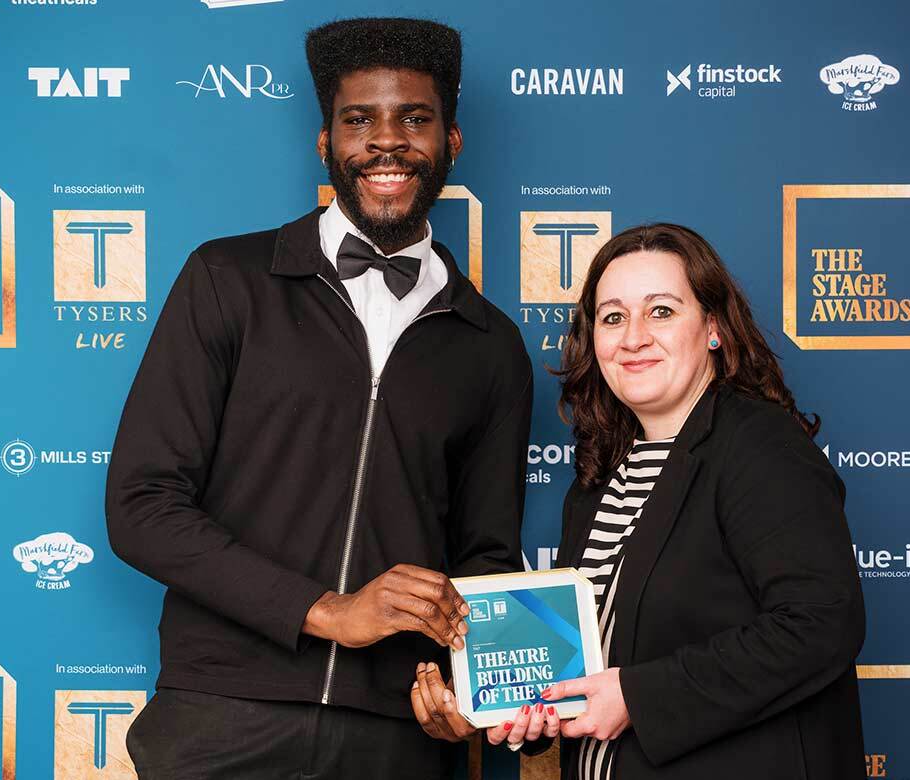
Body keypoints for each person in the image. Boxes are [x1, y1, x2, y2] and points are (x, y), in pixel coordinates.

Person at [105, 17, 533, 780]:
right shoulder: (227, 281)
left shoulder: (490, 342)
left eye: (415, 118)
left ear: (453, 142)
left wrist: (473, 689)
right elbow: (142, 507)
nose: (387, 142)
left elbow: (485, 560)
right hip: (221, 717)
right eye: (359, 119)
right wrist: (327, 611)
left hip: (394, 738)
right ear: (325, 143)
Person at [416, 223, 865, 777]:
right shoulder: (600, 478)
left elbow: (821, 623)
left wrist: (637, 696)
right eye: (612, 317)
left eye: (661, 311)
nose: (633, 337)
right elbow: (590, 667)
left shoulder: (758, 444)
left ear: (715, 328)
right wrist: (529, 710)